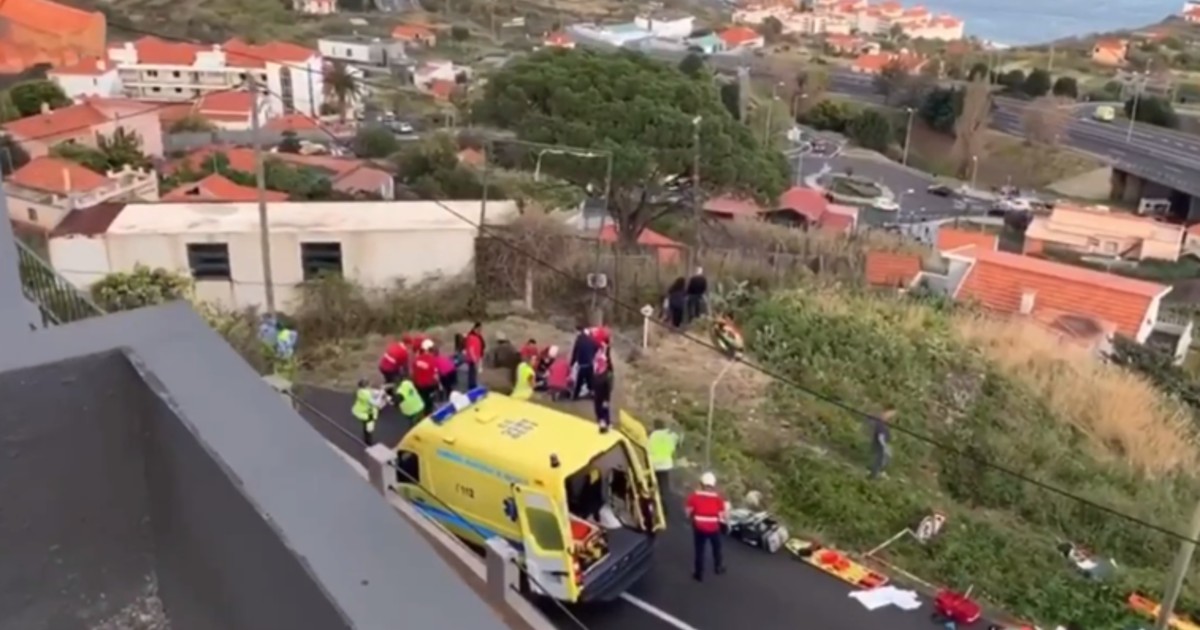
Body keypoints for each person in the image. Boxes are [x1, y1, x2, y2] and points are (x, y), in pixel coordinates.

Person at [685, 472, 727, 582]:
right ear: (713, 485)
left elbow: (688, 512)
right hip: (714, 527)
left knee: (699, 550)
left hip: (699, 527)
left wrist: (692, 518)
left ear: (701, 484)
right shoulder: (718, 498)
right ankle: (718, 567)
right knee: (717, 548)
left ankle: (698, 574)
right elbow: (722, 515)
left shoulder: (694, 496)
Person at [647, 421, 681, 515]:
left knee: (652, 486)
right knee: (664, 489)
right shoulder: (669, 435)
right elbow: (677, 441)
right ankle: (664, 510)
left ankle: (651, 506)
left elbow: (648, 449)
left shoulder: (653, 436)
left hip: (654, 465)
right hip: (666, 465)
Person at [351, 378, 387, 446]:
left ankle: (366, 437)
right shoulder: (366, 395)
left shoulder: (361, 391)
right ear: (366, 385)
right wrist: (380, 394)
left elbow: (372, 392)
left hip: (362, 411)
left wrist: (379, 392)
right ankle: (368, 442)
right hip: (365, 413)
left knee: (366, 425)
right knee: (369, 427)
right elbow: (376, 403)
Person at [570, 325, 598, 399]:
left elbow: (575, 352)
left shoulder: (579, 339)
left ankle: (575, 396)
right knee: (590, 380)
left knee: (579, 381)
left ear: (578, 331)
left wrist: (572, 363)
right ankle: (593, 394)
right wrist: (592, 355)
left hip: (582, 363)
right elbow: (596, 348)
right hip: (590, 363)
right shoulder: (590, 338)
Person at [411, 339, 440, 410]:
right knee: (428, 401)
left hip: (418, 385)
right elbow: (436, 377)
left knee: (422, 398)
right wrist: (439, 385)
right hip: (428, 386)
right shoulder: (433, 360)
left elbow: (414, 373)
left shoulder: (417, 359)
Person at [591, 342, 613, 432]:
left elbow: (607, 388)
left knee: (602, 408)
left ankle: (605, 422)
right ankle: (604, 422)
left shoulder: (603, 375)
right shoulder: (598, 373)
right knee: (601, 408)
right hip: (599, 393)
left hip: (602, 393)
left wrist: (607, 399)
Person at [869, 409, 895, 479]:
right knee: (880, 458)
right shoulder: (880, 424)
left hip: (883, 443)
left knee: (886, 457)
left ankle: (879, 472)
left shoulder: (885, 424)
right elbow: (880, 436)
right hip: (880, 445)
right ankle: (874, 473)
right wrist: (884, 446)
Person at [463, 323, 485, 390]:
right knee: (472, 375)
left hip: (476, 358)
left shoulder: (477, 337)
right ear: (475, 329)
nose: (480, 331)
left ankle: (473, 387)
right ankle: (472, 388)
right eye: (479, 329)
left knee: (474, 374)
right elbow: (471, 349)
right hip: (472, 359)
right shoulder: (471, 337)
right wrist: (474, 360)